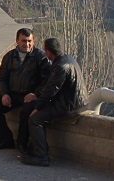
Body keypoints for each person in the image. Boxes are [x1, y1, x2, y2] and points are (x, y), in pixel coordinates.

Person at [17, 37, 89, 167]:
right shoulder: (67, 59)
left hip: (69, 106)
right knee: (34, 110)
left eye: (45, 50)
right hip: (76, 102)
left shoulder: (60, 66)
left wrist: (37, 108)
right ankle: (33, 148)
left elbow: (51, 90)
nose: (45, 53)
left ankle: (41, 156)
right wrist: (37, 97)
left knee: (35, 120)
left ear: (49, 52)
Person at [0, 27, 50, 150]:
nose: (27, 44)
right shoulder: (9, 57)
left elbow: (46, 80)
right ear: (17, 41)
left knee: (27, 111)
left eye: (29, 41)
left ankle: (22, 144)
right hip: (12, 93)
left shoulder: (40, 57)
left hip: (30, 95)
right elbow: (2, 78)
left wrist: (36, 94)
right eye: (24, 41)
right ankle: (5, 140)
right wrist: (4, 94)